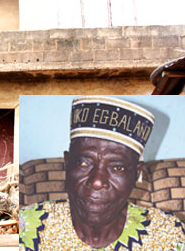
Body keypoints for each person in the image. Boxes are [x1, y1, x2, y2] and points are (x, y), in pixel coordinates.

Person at [19, 96, 185, 251]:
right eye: (84, 163)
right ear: (67, 165)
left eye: (117, 168)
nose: (97, 181)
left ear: (136, 174)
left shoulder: (169, 235)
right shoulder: (26, 229)